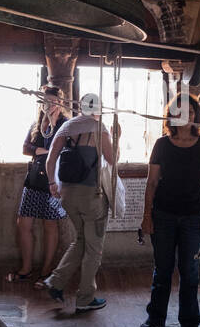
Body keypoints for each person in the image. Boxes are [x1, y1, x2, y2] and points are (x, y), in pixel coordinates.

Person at [139, 91, 200, 327]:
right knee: (162, 270)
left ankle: (190, 325)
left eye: (192, 111)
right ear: (172, 115)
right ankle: (156, 320)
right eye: (181, 111)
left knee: (190, 272)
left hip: (194, 217)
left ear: (196, 116)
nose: (188, 115)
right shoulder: (162, 145)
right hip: (163, 215)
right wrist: (146, 217)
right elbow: (151, 183)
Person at [40, 93, 121, 313]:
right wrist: (117, 138)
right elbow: (113, 160)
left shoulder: (67, 128)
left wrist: (52, 184)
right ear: (98, 107)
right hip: (91, 195)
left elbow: (50, 159)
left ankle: (55, 282)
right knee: (94, 248)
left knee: (82, 240)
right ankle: (85, 297)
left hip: (66, 194)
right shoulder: (99, 128)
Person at [9, 86, 70, 283]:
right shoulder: (36, 124)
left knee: (49, 225)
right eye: (46, 101)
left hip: (53, 182)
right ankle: (26, 268)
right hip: (34, 179)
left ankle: (46, 270)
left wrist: (52, 127)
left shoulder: (66, 125)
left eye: (53, 101)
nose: (49, 105)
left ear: (60, 103)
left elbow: (64, 150)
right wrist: (42, 152)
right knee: (23, 224)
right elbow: (25, 148)